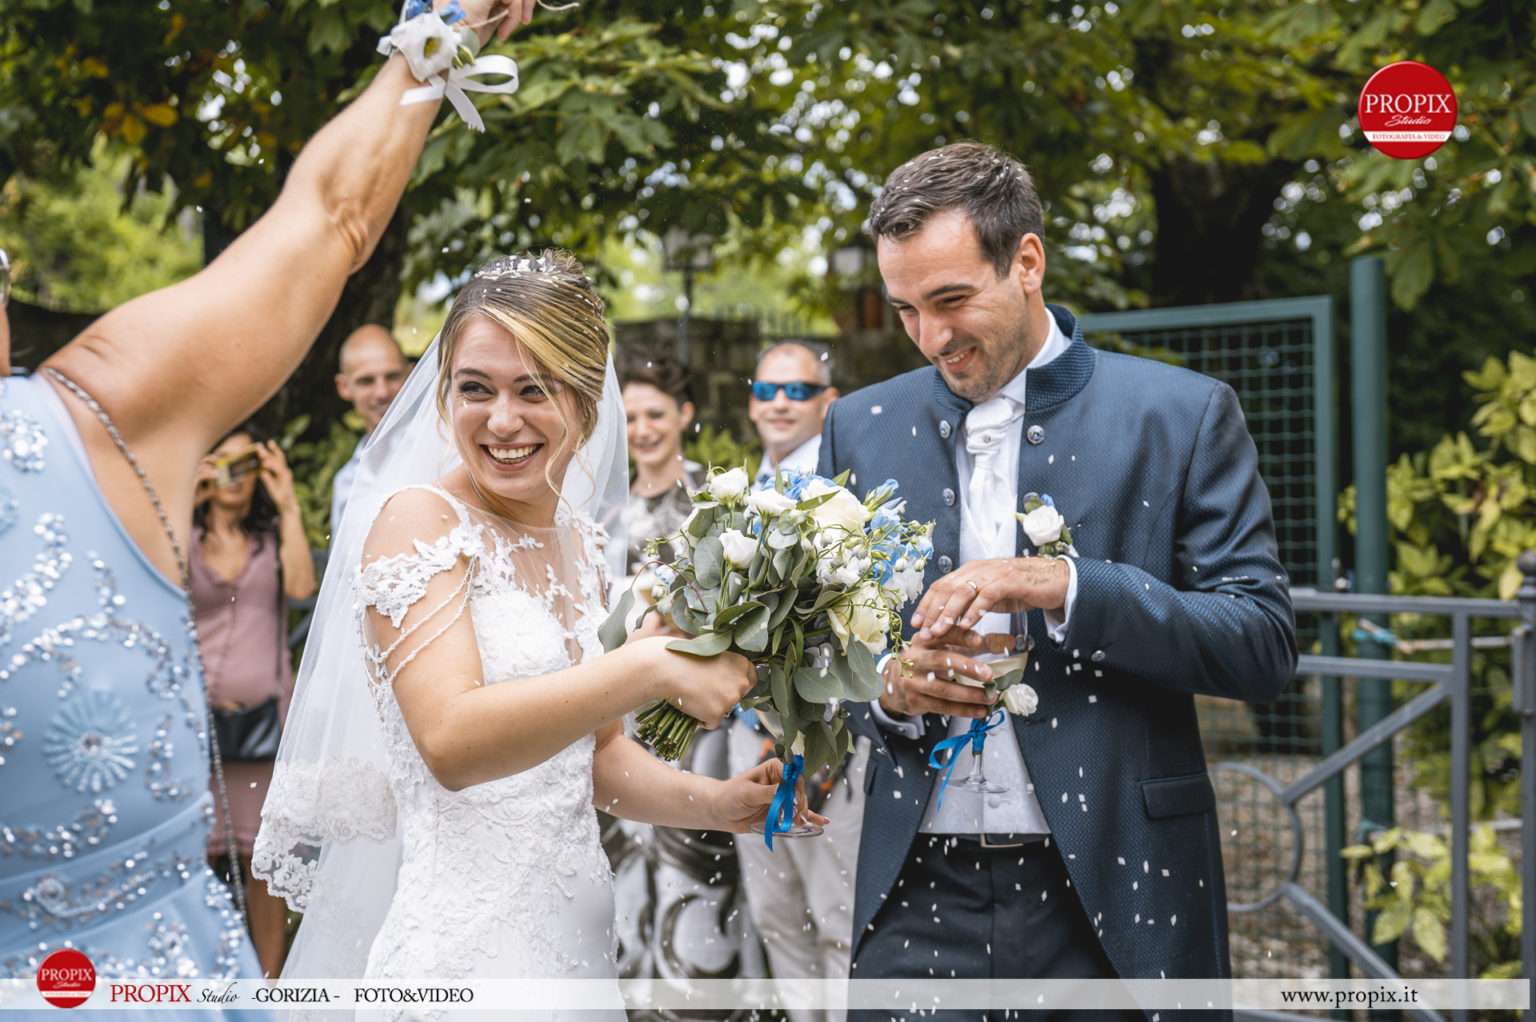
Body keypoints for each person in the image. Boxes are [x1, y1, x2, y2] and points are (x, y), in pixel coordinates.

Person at [0, 0, 540, 1000]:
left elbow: (328, 219)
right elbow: (326, 219)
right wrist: (443, 30)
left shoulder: (96, 416)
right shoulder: (91, 416)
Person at [255, 251, 824, 1009]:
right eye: (475, 390)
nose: (501, 420)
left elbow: (593, 760)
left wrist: (715, 803)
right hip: (465, 956)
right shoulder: (419, 523)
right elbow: (451, 743)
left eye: (534, 389)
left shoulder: (581, 543)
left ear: (587, 403)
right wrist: (649, 667)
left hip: (577, 945)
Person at [816, 142, 1297, 1009]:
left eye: (952, 300)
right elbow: (826, 655)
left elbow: (1260, 644)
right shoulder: (860, 425)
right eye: (905, 310)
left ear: (1027, 260)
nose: (931, 338)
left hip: (1119, 894)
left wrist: (1069, 586)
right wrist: (888, 689)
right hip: (913, 889)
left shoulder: (1179, 416)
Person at [729, 343, 864, 1020]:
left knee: (836, 907)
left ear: (828, 402)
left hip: (823, 736)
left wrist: (812, 737)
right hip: (745, 732)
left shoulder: (845, 495)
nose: (780, 401)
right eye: (767, 387)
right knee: (774, 906)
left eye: (798, 389)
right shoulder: (741, 494)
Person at [191, 425, 316, 978]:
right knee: (194, 858)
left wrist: (287, 502)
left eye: (244, 464)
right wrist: (181, 496)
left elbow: (302, 589)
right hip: (195, 727)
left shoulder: (269, 542)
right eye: (221, 462)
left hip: (265, 722)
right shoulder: (184, 540)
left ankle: (268, 989)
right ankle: (195, 985)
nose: (232, 477)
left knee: (262, 864)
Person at [619, 355, 700, 577]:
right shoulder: (609, 509)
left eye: (655, 415)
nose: (643, 430)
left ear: (684, 414)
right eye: (630, 419)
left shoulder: (714, 495)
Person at [331, 324, 410, 536]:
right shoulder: (345, 481)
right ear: (344, 387)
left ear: (411, 375)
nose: (382, 392)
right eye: (366, 381)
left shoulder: (445, 450)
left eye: (392, 377)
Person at [747, 340, 838, 486]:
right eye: (765, 391)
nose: (780, 405)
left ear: (828, 402)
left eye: (797, 390)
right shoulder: (748, 486)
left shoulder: (845, 483)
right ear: (753, 405)